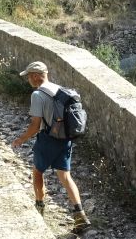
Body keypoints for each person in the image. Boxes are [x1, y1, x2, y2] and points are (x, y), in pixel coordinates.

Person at [11, 61, 91, 229]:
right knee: (65, 176)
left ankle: (39, 207)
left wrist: (21, 139)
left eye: (28, 77)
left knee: (37, 172)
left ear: (35, 76)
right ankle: (80, 214)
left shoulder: (38, 95)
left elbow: (35, 125)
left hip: (47, 140)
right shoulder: (59, 90)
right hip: (65, 139)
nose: (28, 80)